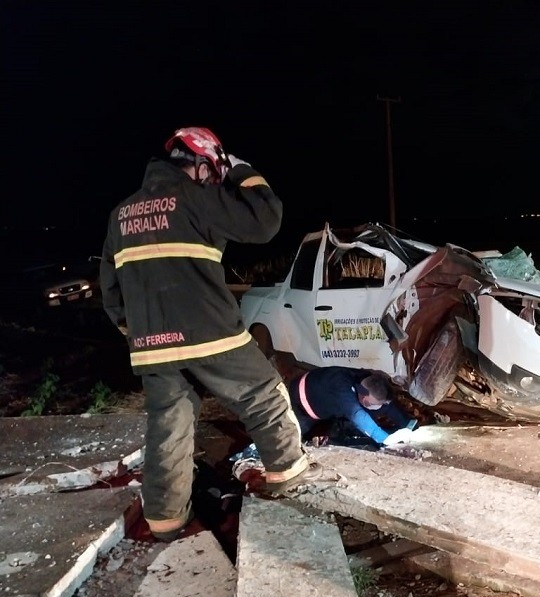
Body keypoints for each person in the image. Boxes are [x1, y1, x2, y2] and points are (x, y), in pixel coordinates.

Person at [100, 126, 327, 542]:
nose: (215, 179)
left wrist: (139, 335)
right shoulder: (197, 198)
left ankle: (166, 520)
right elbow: (265, 220)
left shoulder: (121, 214)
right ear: (202, 164)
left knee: (169, 424)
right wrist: (243, 172)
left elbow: (111, 291)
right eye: (215, 171)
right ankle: (288, 470)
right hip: (210, 333)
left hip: (151, 346)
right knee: (262, 393)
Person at [288, 367, 417, 447]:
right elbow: (356, 414)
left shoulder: (367, 381)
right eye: (373, 404)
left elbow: (386, 404)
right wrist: (384, 438)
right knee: (292, 443)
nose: (380, 407)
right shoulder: (343, 389)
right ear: (364, 400)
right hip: (298, 407)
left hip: (325, 405)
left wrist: (407, 423)